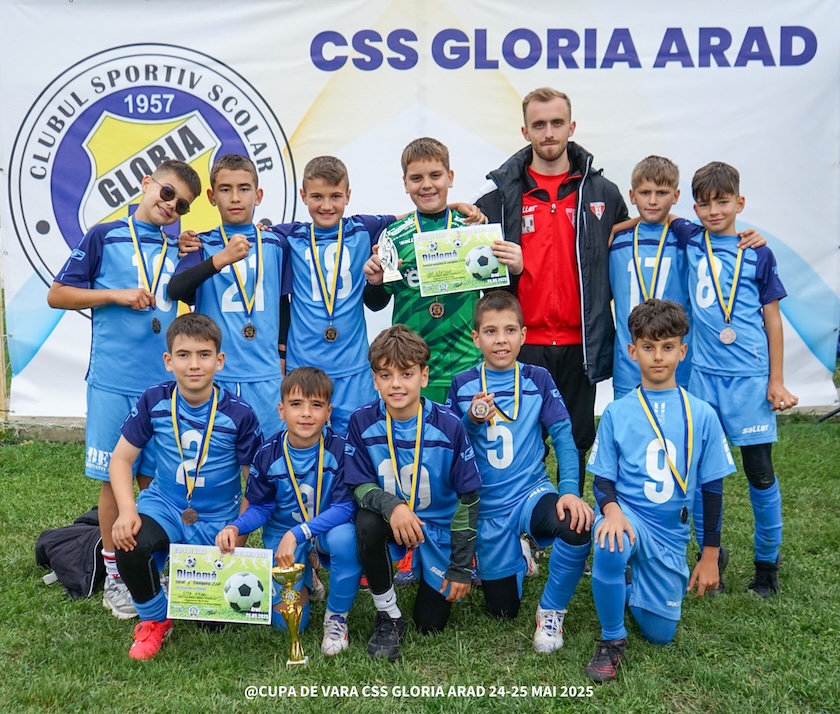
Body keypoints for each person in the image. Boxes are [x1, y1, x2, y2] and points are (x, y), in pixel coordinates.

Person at [362, 137, 521, 585]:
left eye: (435, 175)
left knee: (472, 458)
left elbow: (498, 290)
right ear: (405, 183)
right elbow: (377, 302)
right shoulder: (394, 237)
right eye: (417, 178)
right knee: (418, 458)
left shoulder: (472, 227)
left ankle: (478, 546)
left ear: (451, 177)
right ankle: (415, 548)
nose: (427, 184)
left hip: (467, 365)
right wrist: (374, 280)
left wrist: (514, 267)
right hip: (415, 369)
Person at [47, 159, 201, 620]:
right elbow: (58, 294)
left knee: (157, 482)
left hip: (163, 386)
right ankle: (115, 575)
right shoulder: (105, 235)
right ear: (147, 183)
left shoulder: (181, 247)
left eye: (183, 205)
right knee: (114, 484)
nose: (171, 207)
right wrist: (115, 294)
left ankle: (153, 567)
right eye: (168, 193)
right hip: (113, 382)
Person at [474, 87, 629, 491]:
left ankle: (571, 515)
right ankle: (528, 518)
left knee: (576, 440)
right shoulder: (499, 199)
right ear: (525, 131)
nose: (548, 132)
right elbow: (473, 267)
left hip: (581, 343)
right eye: (539, 124)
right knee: (525, 441)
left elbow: (633, 242)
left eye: (556, 123)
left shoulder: (603, 193)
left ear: (571, 127)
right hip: (524, 342)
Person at [267, 156, 484, 435]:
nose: (326, 205)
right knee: (304, 437)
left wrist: (453, 207)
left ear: (348, 195)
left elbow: (412, 217)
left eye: (335, 196)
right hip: (303, 363)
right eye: (317, 197)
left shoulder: (364, 228)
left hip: (354, 368)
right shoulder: (288, 236)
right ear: (303, 195)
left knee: (356, 439)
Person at [585, 299, 736, 683]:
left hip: (670, 533)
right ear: (632, 350)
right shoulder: (618, 411)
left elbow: (712, 488)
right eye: (648, 347)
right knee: (611, 542)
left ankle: (631, 579)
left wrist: (710, 555)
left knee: (660, 634)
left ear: (682, 352)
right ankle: (612, 639)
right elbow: (602, 479)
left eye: (667, 347)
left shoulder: (702, 413)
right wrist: (612, 511)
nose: (657, 356)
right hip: (629, 515)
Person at [670, 162, 797, 598]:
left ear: (739, 203)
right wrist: (618, 226)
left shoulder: (758, 251)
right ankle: (712, 557)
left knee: (759, 473)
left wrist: (776, 381)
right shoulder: (690, 237)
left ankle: (767, 567)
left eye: (723, 202)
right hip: (704, 380)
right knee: (704, 475)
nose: (714, 211)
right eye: (705, 204)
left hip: (749, 381)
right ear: (695, 208)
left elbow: (773, 320)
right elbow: (657, 212)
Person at [109, 314, 263, 660]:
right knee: (130, 543)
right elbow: (120, 459)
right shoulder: (154, 400)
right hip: (165, 505)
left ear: (219, 360)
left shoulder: (239, 414)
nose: (194, 364)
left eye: (204, 354)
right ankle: (155, 619)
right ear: (168, 361)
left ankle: (180, 584)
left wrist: (238, 536)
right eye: (183, 355)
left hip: (217, 518)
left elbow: (255, 485)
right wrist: (128, 510)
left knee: (212, 622)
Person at [446, 292, 592, 653]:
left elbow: (563, 437)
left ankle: (550, 611)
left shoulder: (538, 378)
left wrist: (569, 490)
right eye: (491, 331)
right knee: (502, 611)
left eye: (510, 330)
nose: (501, 340)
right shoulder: (462, 384)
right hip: (489, 508)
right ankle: (520, 555)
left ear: (523, 335)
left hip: (531, 493)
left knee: (575, 524)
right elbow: (451, 448)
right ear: (476, 338)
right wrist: (471, 419)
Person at [344, 325, 482, 661]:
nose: (396, 384)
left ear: (424, 375)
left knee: (430, 624)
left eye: (406, 374)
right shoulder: (361, 421)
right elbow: (358, 485)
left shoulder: (449, 424)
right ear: (375, 380)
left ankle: (427, 566)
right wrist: (392, 506)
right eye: (386, 375)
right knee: (366, 523)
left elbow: (468, 498)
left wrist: (460, 567)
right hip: (391, 523)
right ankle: (388, 613)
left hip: (436, 529)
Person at [215, 367, 360, 657]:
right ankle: (307, 577)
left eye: (316, 405)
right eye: (296, 404)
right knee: (288, 624)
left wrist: (299, 533)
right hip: (283, 537)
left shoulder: (341, 449)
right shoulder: (267, 453)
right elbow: (261, 506)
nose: (306, 413)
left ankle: (336, 617)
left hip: (324, 531)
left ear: (328, 412)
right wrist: (236, 527)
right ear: (281, 410)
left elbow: (344, 507)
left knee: (346, 538)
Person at [168, 154, 290, 436]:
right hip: (216, 375)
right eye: (225, 189)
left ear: (258, 195)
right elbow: (175, 290)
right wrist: (219, 259)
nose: (235, 197)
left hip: (265, 375)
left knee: (267, 454)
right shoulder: (200, 244)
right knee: (217, 454)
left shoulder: (276, 243)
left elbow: (283, 303)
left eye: (244, 189)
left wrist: (283, 356)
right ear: (212, 197)